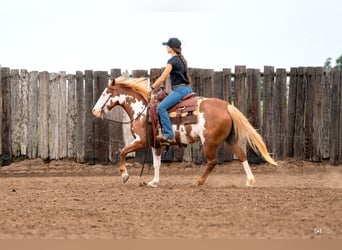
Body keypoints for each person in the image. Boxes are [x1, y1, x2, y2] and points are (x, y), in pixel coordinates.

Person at [150, 37, 193, 144]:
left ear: (171, 48)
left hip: (179, 90)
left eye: (167, 46)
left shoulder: (172, 61)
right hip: (188, 89)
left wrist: (151, 88)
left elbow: (162, 77)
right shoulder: (182, 60)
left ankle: (168, 134)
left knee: (161, 107)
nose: (166, 48)